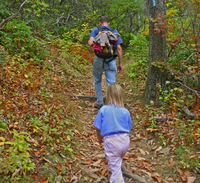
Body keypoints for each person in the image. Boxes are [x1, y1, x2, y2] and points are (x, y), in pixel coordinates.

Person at [93, 84, 132, 183]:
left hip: (112, 142)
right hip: (125, 140)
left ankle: (117, 180)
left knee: (115, 171)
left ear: (108, 95)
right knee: (118, 159)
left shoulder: (103, 109)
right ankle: (118, 171)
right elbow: (129, 126)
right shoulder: (125, 111)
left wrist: (100, 138)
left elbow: (97, 127)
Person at [88, 16, 123, 109]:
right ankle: (110, 104)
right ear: (108, 23)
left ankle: (99, 102)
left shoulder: (96, 30)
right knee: (111, 83)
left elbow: (90, 43)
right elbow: (119, 48)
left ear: (100, 23)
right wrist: (120, 63)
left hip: (98, 59)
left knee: (97, 80)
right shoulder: (114, 31)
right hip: (111, 60)